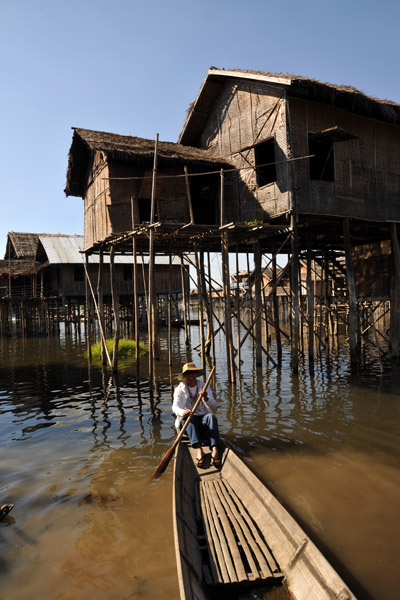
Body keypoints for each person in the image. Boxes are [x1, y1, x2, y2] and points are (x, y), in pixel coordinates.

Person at [173, 362, 221, 467]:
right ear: (184, 376)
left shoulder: (204, 386)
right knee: (189, 419)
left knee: (211, 417)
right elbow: (175, 407)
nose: (190, 376)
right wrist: (182, 412)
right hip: (189, 422)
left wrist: (206, 398)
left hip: (203, 421)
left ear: (196, 374)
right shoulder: (179, 390)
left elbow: (214, 407)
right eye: (188, 374)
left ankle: (214, 449)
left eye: (193, 373)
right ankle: (199, 450)